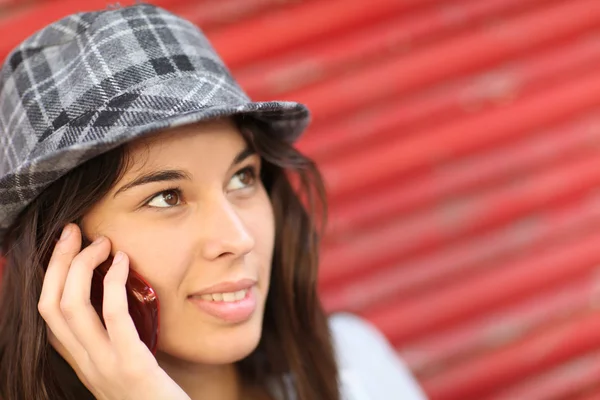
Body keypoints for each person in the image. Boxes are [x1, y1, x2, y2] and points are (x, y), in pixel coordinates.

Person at [0, 4, 427, 400]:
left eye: (243, 178)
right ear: (58, 254)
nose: (238, 239)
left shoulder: (353, 363)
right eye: (167, 197)